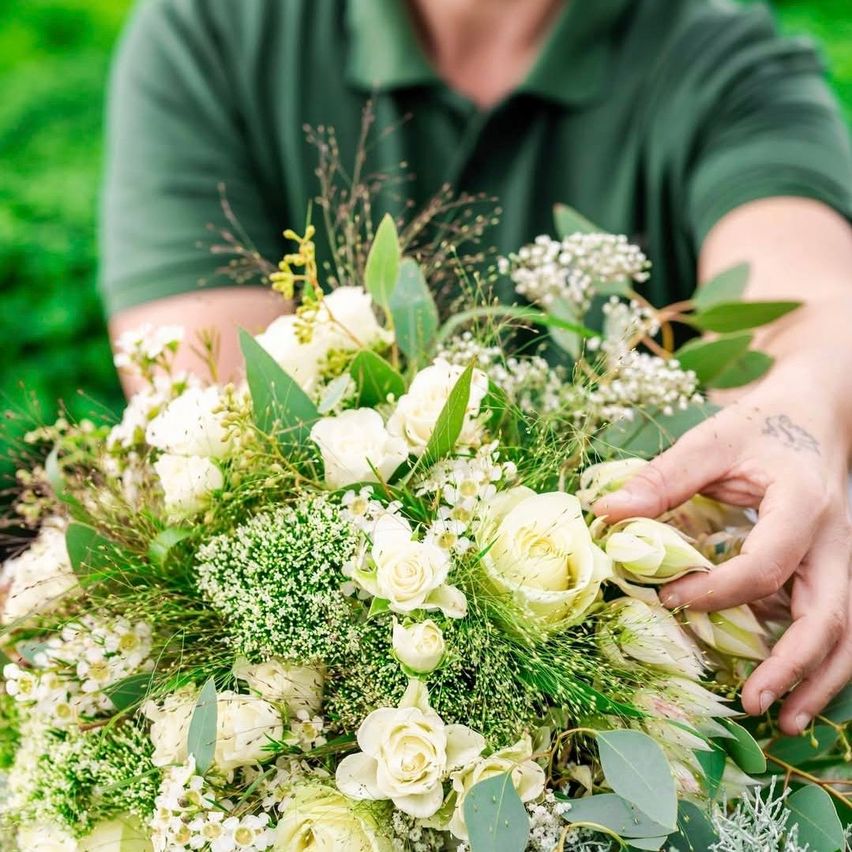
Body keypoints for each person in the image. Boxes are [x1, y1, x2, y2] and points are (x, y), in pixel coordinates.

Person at [100, 0, 852, 735]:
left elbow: (807, 306)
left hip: (636, 708)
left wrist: (798, 422)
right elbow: (221, 433)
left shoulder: (721, 57)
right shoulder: (214, 30)